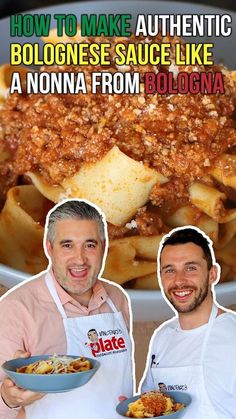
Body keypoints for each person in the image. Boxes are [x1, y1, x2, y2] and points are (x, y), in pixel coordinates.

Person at [0, 199, 134, 419]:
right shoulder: (17, 308)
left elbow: (119, 383)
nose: (79, 259)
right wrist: (8, 398)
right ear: (49, 248)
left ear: (104, 247)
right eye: (67, 245)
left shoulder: (117, 299)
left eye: (90, 245)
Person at [140, 226, 236, 418]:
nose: (179, 280)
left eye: (190, 268)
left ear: (212, 274)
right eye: (169, 270)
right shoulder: (162, 336)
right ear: (160, 278)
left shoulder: (232, 334)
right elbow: (149, 402)